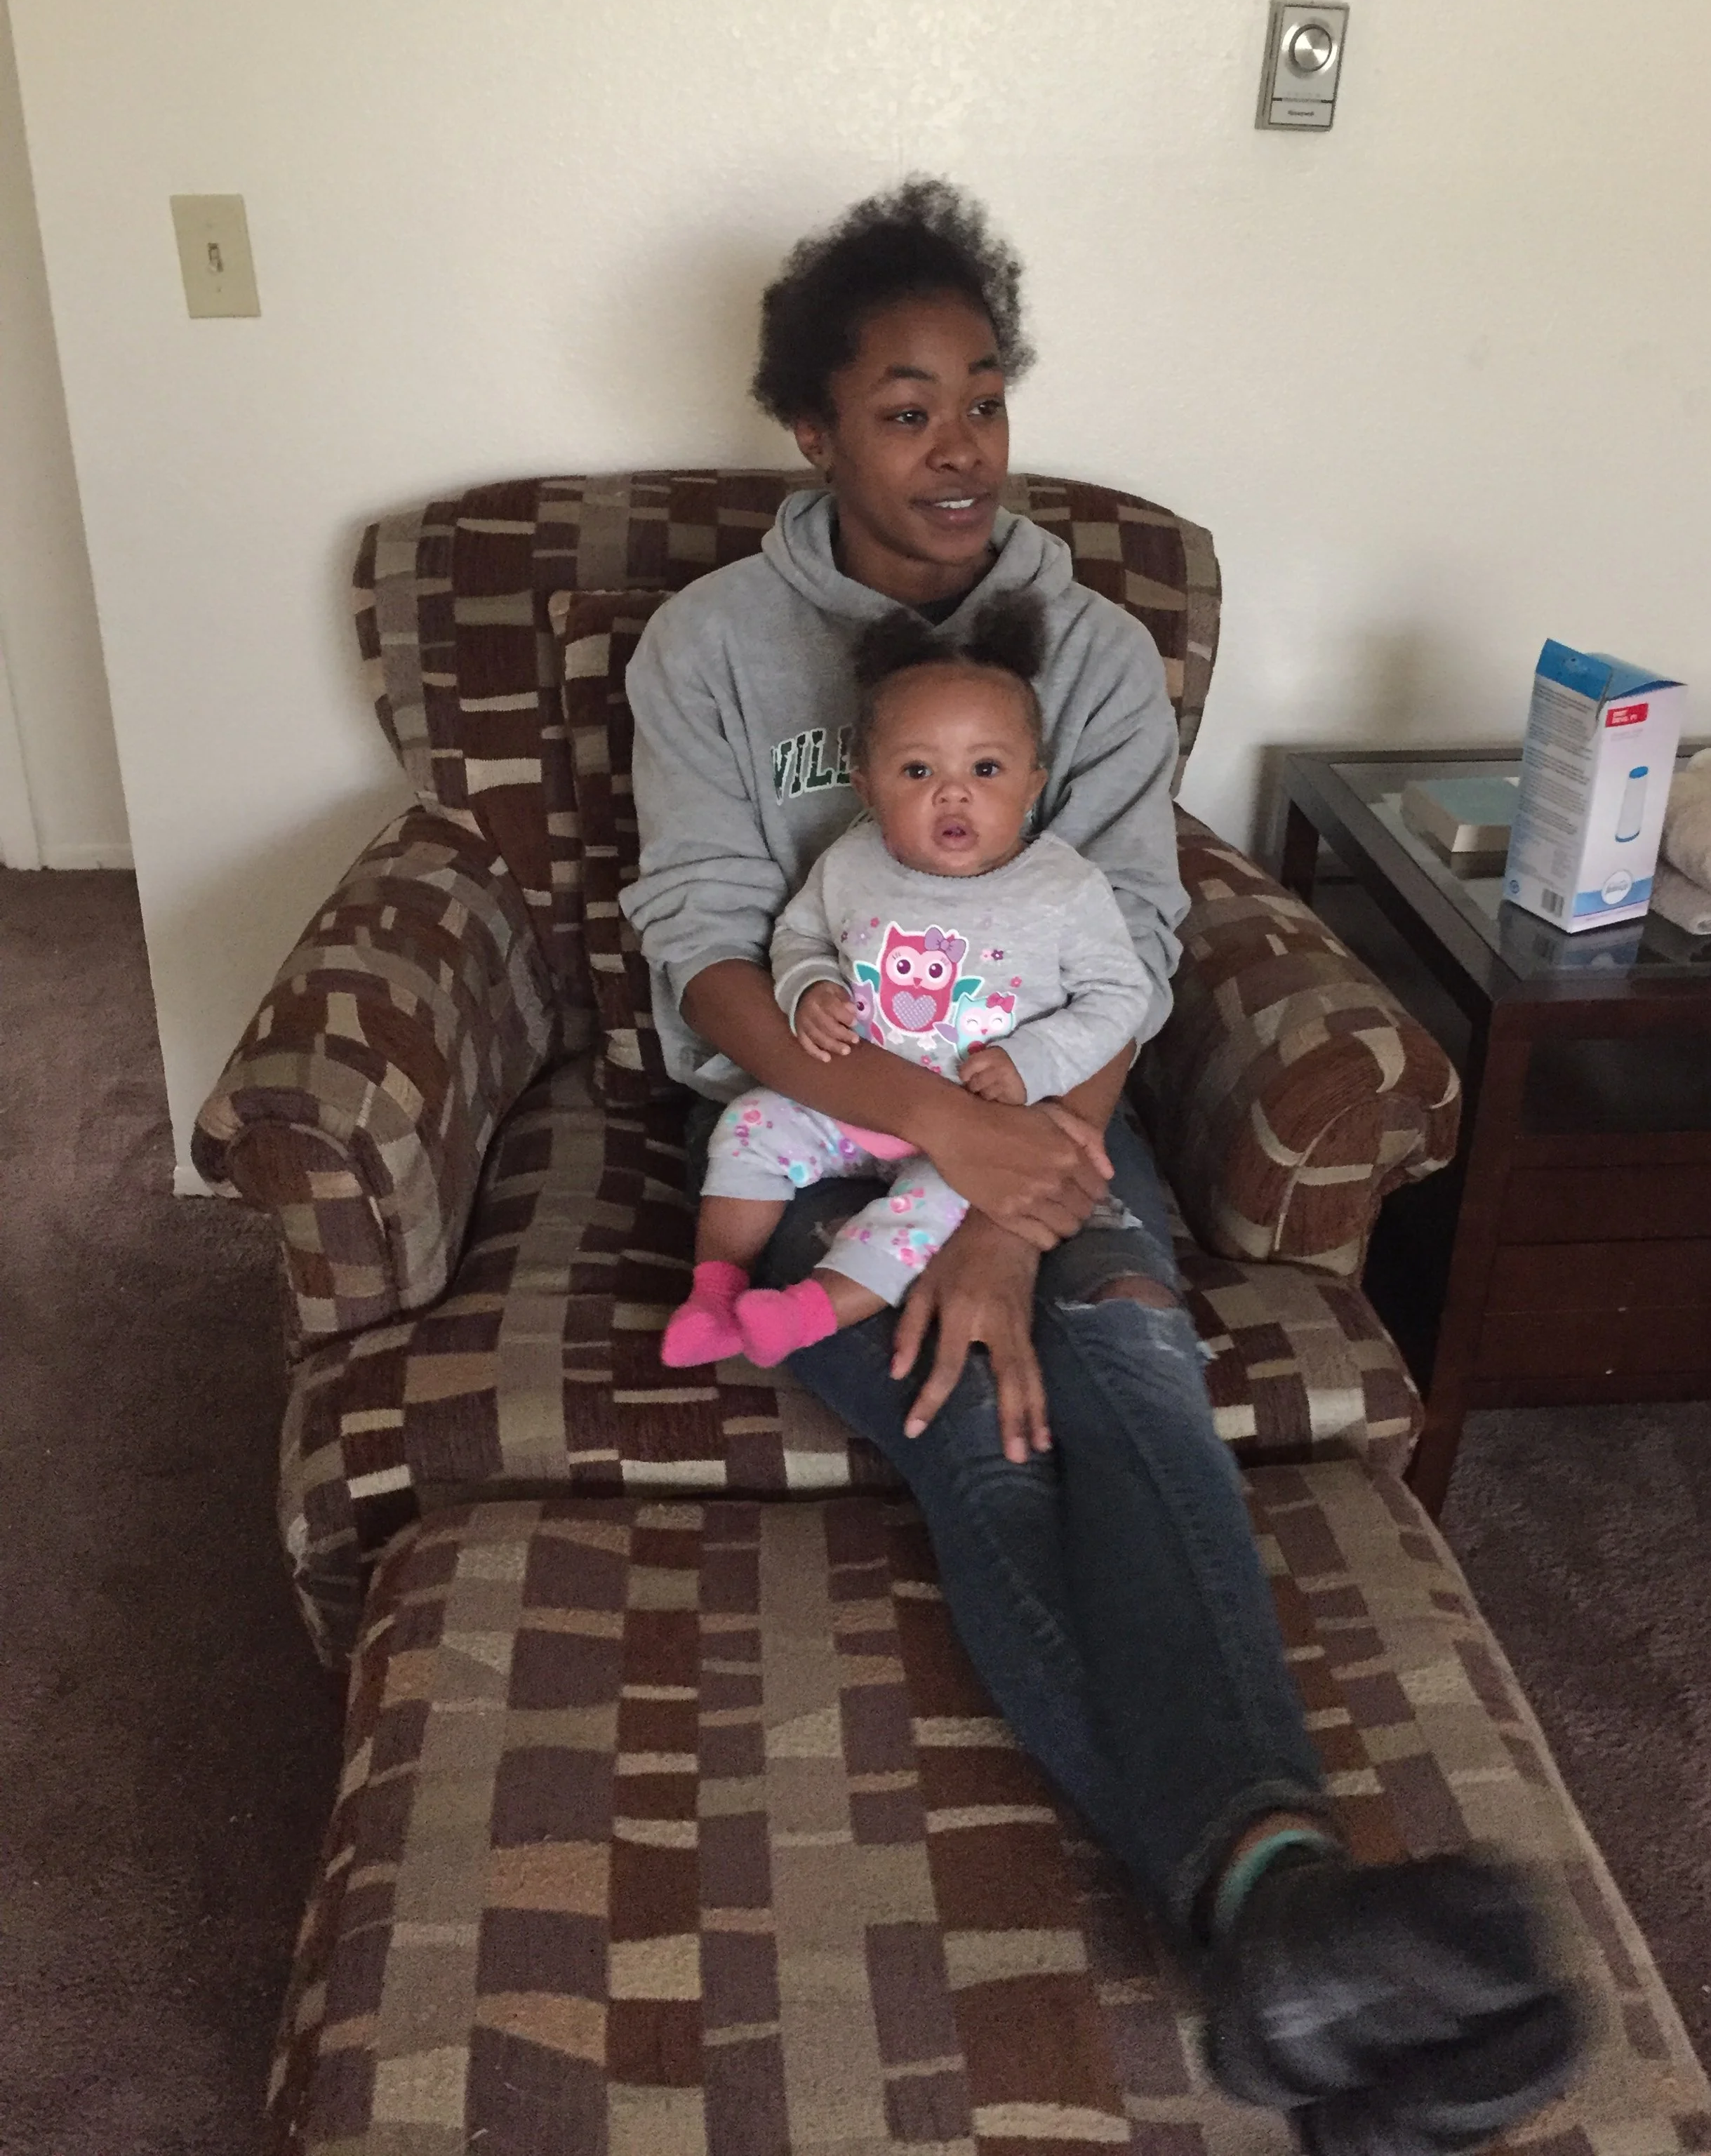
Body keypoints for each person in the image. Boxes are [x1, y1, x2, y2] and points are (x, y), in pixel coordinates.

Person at [622, 178, 1580, 2153]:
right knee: (984, 1429)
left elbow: (1137, 940)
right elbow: (705, 944)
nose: (958, 444)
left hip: (1056, 1129)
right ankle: (1274, 1915)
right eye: (904, 405)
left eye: (984, 396)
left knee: (1122, 1361)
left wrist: (994, 1201)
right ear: (812, 428)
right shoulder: (712, 647)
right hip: (803, 1140)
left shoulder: (1090, 644)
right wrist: (926, 1141)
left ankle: (1283, 1945)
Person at [660, 591, 1151, 1371]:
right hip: (849, 1100)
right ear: (866, 786)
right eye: (917, 770)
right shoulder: (851, 862)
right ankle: (714, 1292)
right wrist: (809, 985)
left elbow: (1123, 999)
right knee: (748, 1128)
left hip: (974, 1125)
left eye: (986, 769)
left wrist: (1035, 1065)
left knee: (921, 1216)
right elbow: (799, 933)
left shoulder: (1063, 888)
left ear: (1033, 783)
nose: (952, 793)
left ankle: (807, 1313)